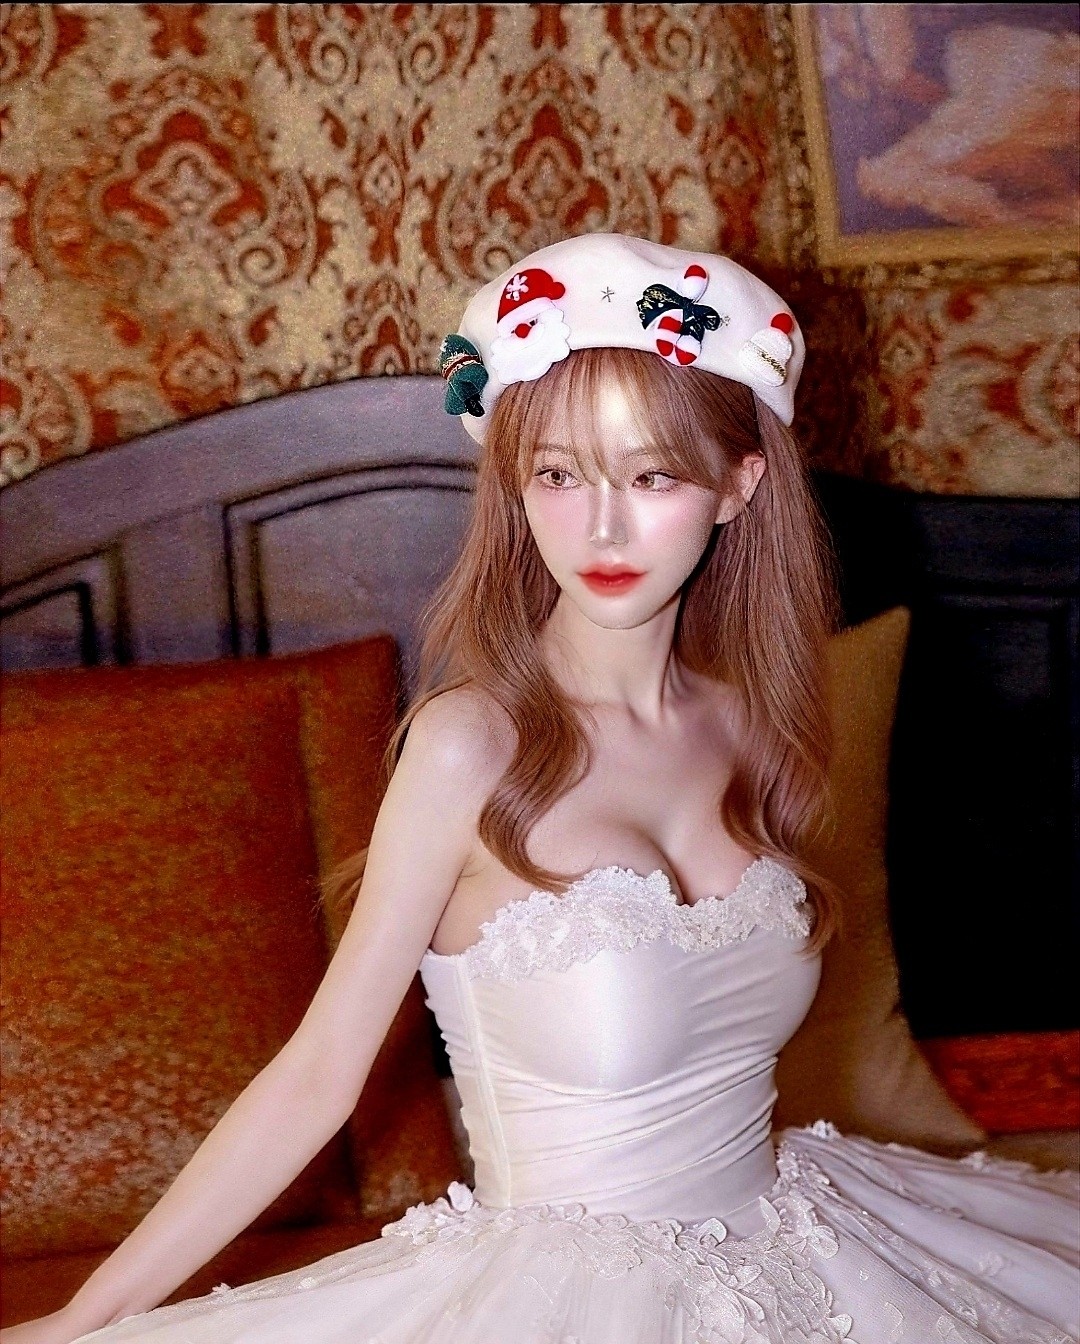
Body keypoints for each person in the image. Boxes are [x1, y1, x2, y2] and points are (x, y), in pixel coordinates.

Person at [5, 234, 1076, 1344]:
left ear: (737, 486)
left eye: (652, 477)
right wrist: (84, 1316)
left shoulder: (756, 724)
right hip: (563, 1293)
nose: (601, 528)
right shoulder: (467, 746)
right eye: (559, 476)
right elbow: (318, 1074)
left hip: (801, 1242)